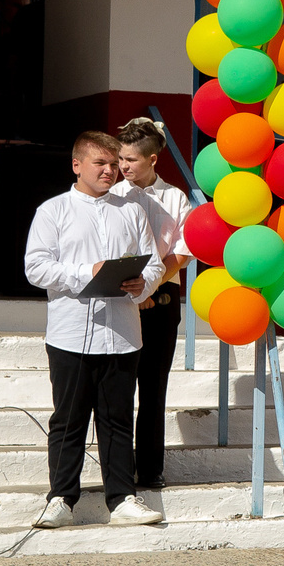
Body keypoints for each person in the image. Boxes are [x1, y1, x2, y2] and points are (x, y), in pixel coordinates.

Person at [22, 131, 170, 530]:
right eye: (100, 163)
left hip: (121, 332)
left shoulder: (132, 210)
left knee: (118, 418)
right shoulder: (53, 211)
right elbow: (35, 267)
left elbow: (154, 263)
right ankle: (61, 498)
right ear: (77, 165)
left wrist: (146, 283)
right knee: (68, 419)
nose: (111, 170)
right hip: (71, 331)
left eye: (114, 163)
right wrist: (84, 273)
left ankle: (122, 498)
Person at [114, 121, 189, 498]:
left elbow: (183, 251)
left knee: (154, 388)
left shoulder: (176, 198)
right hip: (121, 297)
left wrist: (151, 284)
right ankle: (119, 468)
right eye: (120, 158)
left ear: (153, 159)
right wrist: (132, 288)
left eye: (130, 159)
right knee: (120, 387)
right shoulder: (112, 195)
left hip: (160, 300)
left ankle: (151, 468)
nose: (122, 165)